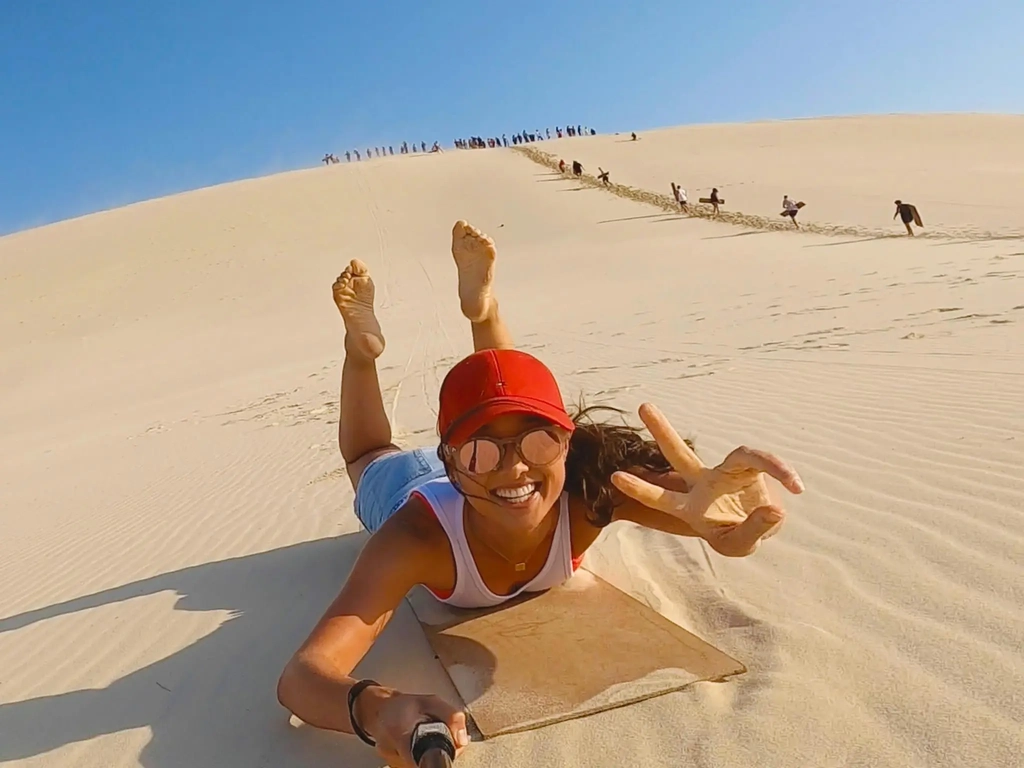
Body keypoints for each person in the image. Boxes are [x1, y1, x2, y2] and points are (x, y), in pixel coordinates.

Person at [276, 220, 804, 768]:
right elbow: (300, 679)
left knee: (504, 398)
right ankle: (360, 352)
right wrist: (376, 708)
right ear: (451, 463)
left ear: (567, 443)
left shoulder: (591, 492)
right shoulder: (414, 537)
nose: (516, 467)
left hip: (475, 472)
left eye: (540, 441)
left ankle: (484, 315)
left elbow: (701, 511)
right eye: (483, 450)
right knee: (368, 456)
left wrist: (722, 528)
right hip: (407, 486)